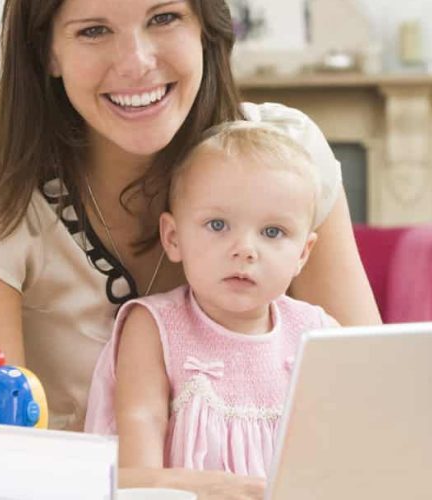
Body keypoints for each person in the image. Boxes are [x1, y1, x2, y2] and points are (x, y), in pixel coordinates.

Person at [0, 0, 379, 497]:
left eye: (164, 18)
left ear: (206, 28)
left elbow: (375, 401)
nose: (136, 62)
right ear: (46, 51)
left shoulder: (288, 159)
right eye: (94, 30)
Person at [83, 121, 338, 478]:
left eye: (272, 232)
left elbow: (345, 442)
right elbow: (139, 445)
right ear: (173, 237)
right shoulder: (155, 327)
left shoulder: (317, 333)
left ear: (302, 253)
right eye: (218, 225)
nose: (245, 250)